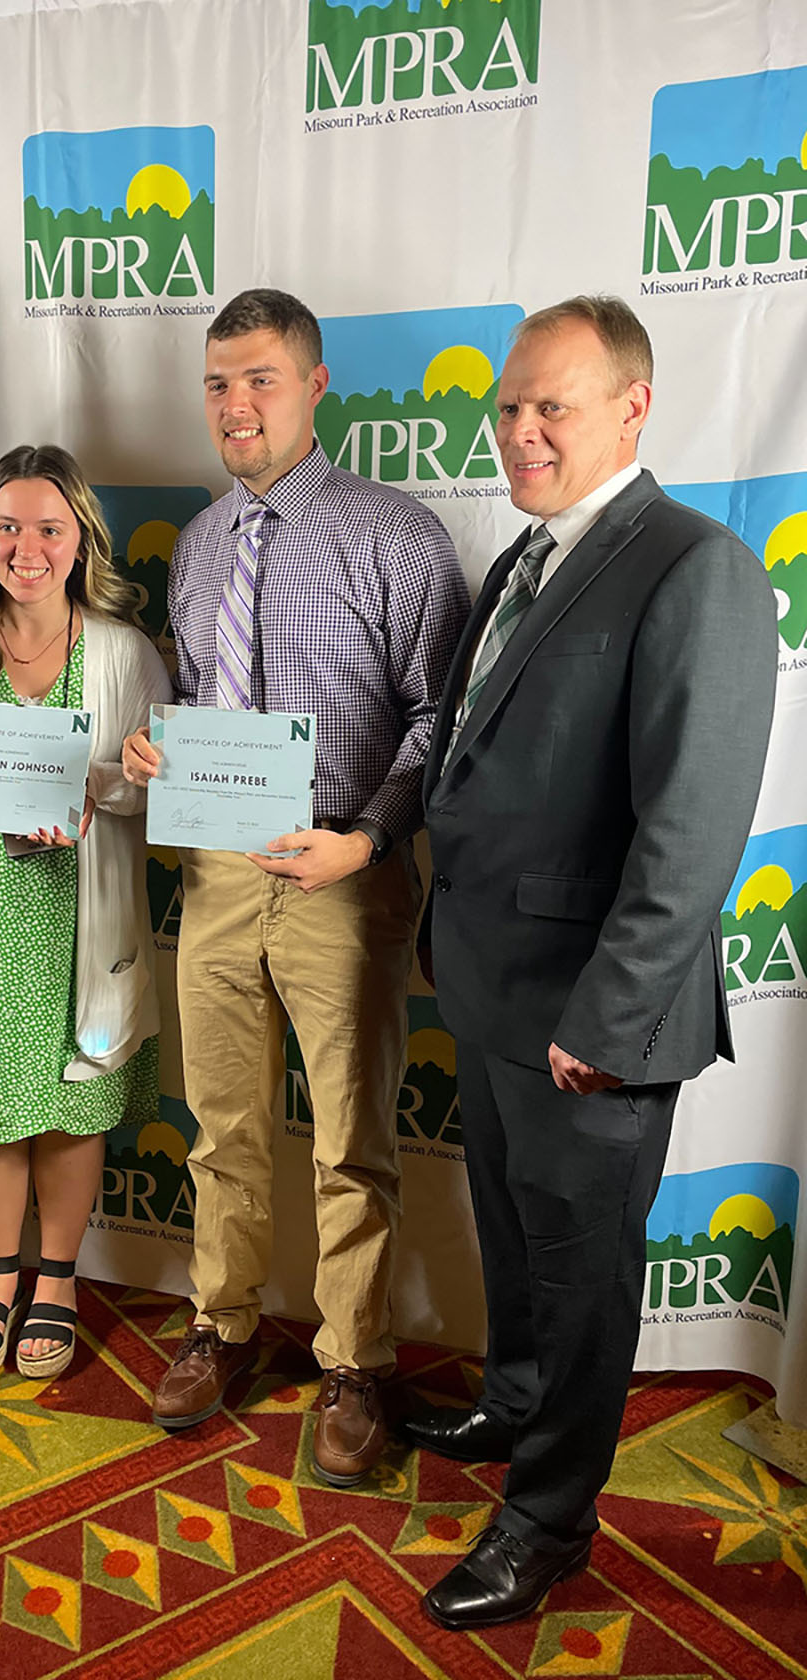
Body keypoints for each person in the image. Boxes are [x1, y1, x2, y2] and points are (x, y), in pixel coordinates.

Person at [409, 296, 777, 1629]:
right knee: (514, 1242)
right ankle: (515, 1409)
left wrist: (611, 1020)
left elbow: (689, 831)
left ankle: (551, 1520)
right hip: (493, 985)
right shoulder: (525, 561)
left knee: (582, 1271)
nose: (518, 431)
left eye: (550, 407)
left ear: (633, 406)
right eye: (508, 407)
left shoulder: (698, 568)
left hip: (590, 1017)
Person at [123, 288, 470, 1486]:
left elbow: (443, 721)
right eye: (218, 382)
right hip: (219, 875)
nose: (235, 404)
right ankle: (221, 1321)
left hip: (342, 875)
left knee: (350, 1143)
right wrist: (155, 753)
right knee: (222, 1122)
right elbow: (200, 695)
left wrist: (366, 844)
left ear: (317, 386)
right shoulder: (203, 543)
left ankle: (355, 1361)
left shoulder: (397, 534)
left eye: (260, 379)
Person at [0, 444, 171, 1380]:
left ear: (78, 538)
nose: (27, 545)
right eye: (7, 525)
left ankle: (58, 1279)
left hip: (78, 911)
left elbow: (156, 782)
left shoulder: (125, 653)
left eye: (48, 527)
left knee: (69, 1104)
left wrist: (104, 794)